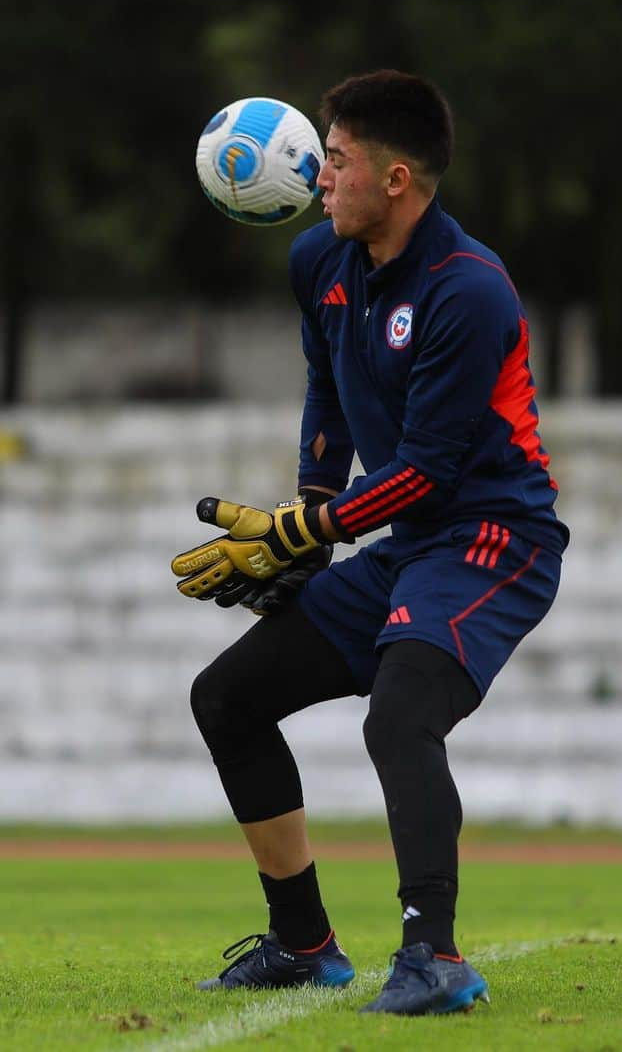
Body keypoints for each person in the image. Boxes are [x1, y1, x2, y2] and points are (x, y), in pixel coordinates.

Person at [172, 69, 568, 1016]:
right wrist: (306, 529)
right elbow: (329, 390)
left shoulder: (469, 290)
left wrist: (307, 528)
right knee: (227, 696)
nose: (319, 177)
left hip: (492, 537)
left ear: (395, 180)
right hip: (404, 540)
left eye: (337, 159)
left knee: (397, 718)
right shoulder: (319, 261)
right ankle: (305, 943)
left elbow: (429, 468)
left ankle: (434, 956)